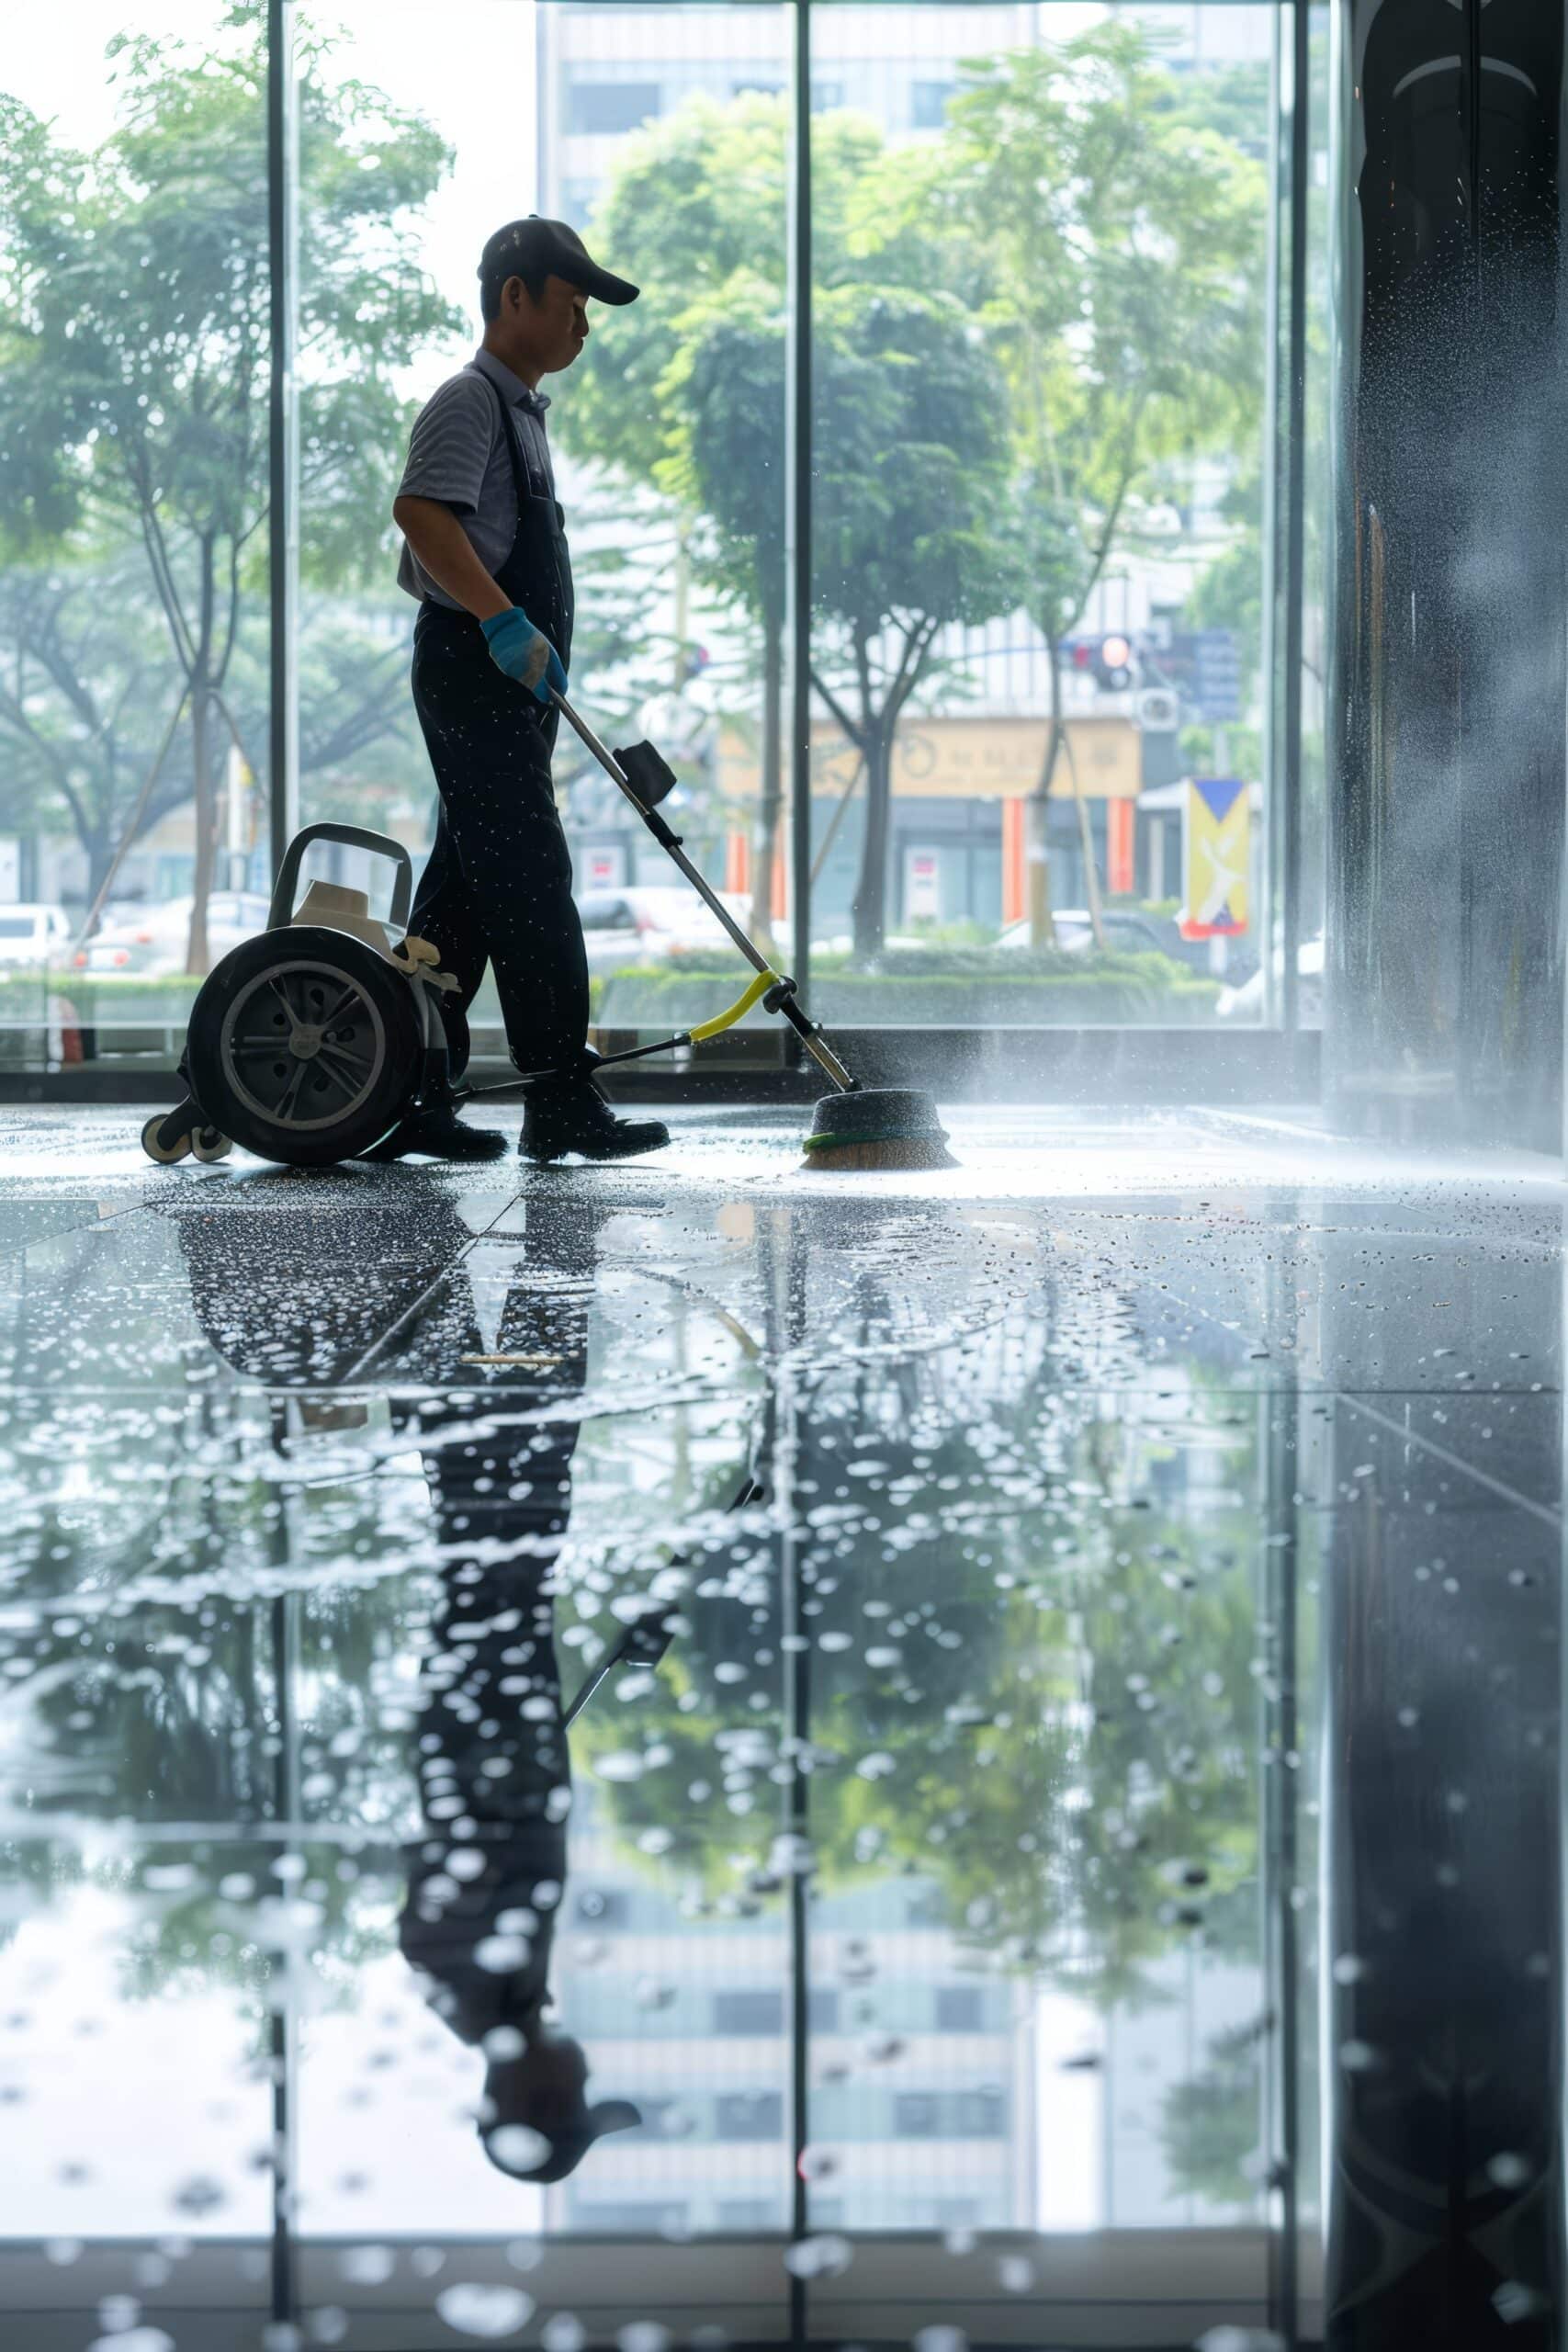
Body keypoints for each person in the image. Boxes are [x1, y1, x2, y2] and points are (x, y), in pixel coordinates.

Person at [387, 216, 670, 1165]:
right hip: (475, 669)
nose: (582, 325)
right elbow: (421, 516)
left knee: (465, 883)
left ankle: (407, 1092)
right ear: (517, 297)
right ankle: (559, 1098)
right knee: (530, 872)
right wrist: (501, 619)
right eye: (572, 303)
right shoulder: (469, 400)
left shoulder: (522, 417)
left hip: (507, 684)